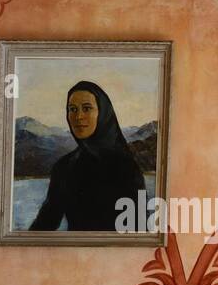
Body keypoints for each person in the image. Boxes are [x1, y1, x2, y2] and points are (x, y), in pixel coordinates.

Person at [29, 80, 147, 232]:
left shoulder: (126, 169)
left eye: (86, 108)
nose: (78, 116)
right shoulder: (64, 168)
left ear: (102, 113)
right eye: (72, 109)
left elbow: (139, 234)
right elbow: (43, 227)